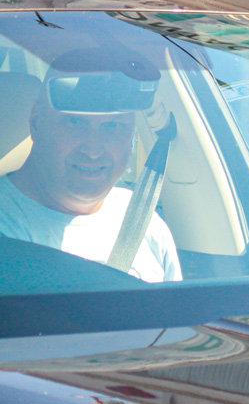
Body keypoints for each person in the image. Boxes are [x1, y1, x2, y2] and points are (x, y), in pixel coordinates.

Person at [0, 62, 181, 284]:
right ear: (36, 122)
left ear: (131, 135)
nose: (93, 150)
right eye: (75, 122)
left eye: (112, 126)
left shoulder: (144, 221)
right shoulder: (7, 227)